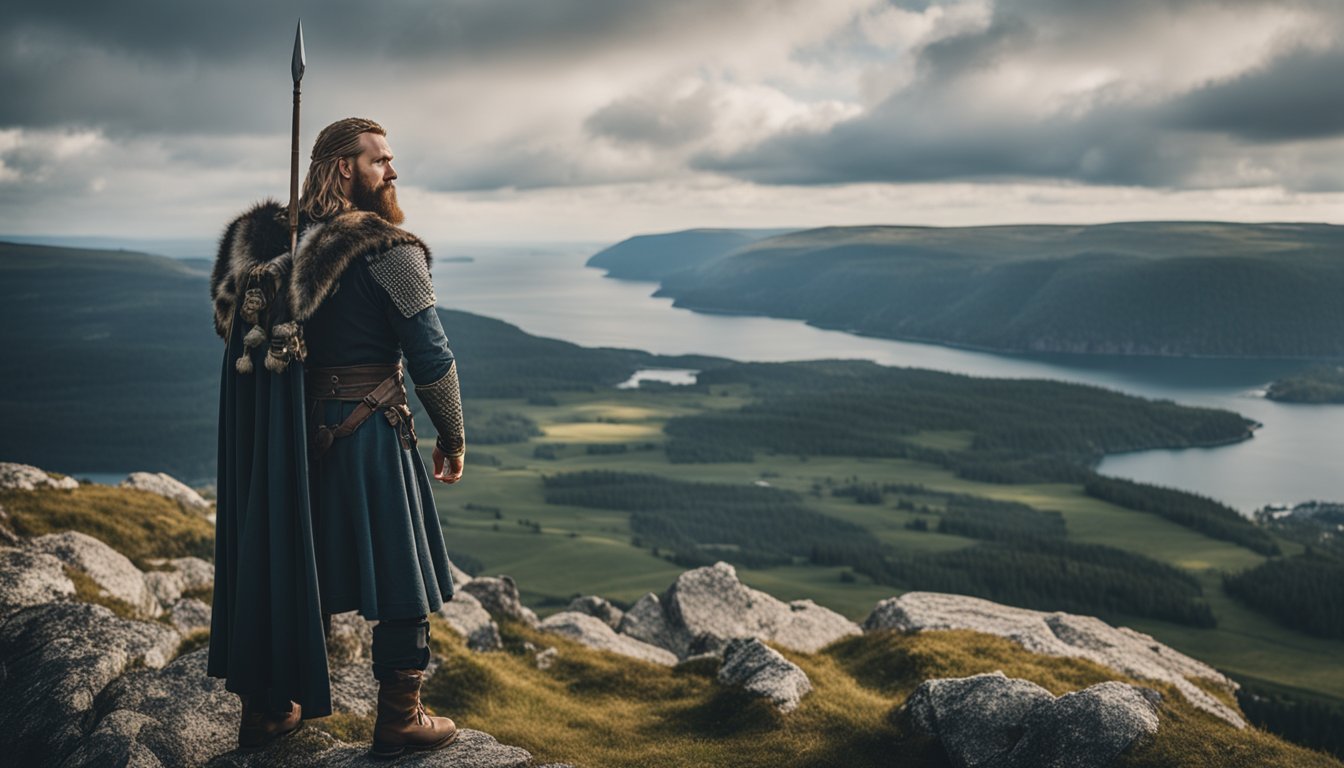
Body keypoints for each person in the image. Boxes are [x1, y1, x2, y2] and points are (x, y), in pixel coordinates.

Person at [208, 117, 466, 759]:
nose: (392, 170)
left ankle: (270, 710)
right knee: (401, 574)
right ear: (344, 167)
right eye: (380, 159)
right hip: (370, 430)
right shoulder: (389, 251)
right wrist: (453, 436)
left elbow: (232, 331)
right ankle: (399, 719)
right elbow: (432, 357)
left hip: (287, 441)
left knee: (287, 559)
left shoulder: (263, 250)